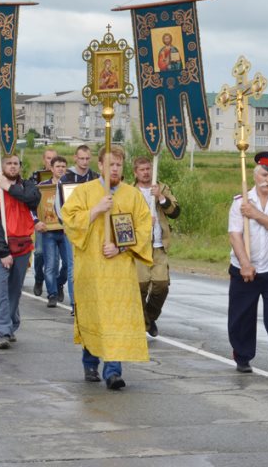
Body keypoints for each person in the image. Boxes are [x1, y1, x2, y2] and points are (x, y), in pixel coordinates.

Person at [61, 146, 152, 390]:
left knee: (116, 320)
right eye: (110, 164)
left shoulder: (132, 195)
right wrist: (95, 210)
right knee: (95, 317)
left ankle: (113, 371)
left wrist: (121, 249)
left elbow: (143, 229)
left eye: (119, 165)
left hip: (119, 270)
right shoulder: (84, 192)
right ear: (100, 165)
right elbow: (68, 219)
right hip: (91, 268)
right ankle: (90, 363)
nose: (115, 169)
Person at [227, 152, 268, 375]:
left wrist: (256, 215)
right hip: (244, 268)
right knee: (242, 316)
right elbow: (235, 236)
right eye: (265, 174)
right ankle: (243, 356)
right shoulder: (240, 202)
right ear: (256, 175)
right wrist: (245, 263)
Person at [0, 154, 40, 349]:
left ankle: (11, 325)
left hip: (23, 247)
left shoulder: (28, 187)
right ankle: (3, 330)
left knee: (14, 290)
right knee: (0, 290)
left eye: (16, 163)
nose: (13, 167)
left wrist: (9, 187)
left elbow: (33, 199)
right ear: (2, 166)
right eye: (9, 164)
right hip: (0, 249)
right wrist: (3, 251)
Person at [132, 156, 181, 337]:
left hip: (159, 247)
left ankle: (149, 317)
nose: (146, 172)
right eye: (142, 169)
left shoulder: (162, 188)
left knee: (161, 286)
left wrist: (160, 197)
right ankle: (144, 322)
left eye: (148, 169)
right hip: (139, 247)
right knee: (140, 286)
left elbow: (175, 212)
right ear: (135, 172)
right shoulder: (130, 191)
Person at [58, 145, 99, 315]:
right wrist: (67, 224)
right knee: (73, 265)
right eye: (81, 158)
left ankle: (91, 301)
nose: (84, 162)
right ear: (75, 158)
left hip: (93, 228)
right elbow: (60, 206)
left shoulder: (96, 178)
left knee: (92, 265)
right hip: (73, 229)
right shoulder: (65, 178)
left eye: (87, 158)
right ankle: (76, 304)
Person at [35, 156, 72, 308]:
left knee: (68, 264)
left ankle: (59, 283)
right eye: (58, 166)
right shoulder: (43, 187)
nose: (61, 169)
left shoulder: (70, 186)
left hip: (66, 230)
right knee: (50, 264)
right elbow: (36, 206)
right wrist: (37, 221)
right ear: (51, 168)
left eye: (63, 166)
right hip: (48, 230)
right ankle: (52, 294)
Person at [29, 148, 58, 297]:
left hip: (58, 222)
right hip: (41, 219)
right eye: (48, 158)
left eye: (54, 158)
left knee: (55, 258)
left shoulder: (63, 176)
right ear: (43, 160)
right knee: (39, 252)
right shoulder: (35, 177)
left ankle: (56, 285)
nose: (51, 161)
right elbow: (29, 197)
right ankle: (39, 278)